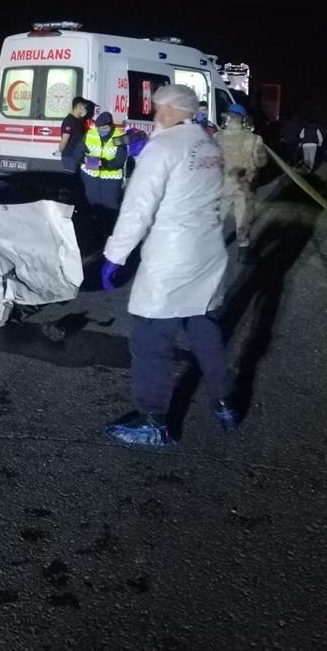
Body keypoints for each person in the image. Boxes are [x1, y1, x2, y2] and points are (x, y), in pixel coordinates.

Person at [99, 84, 235, 447]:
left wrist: (115, 255)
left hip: (172, 258)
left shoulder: (163, 147)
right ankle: (225, 402)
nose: (156, 114)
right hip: (207, 252)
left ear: (178, 110)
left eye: (161, 108)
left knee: (150, 338)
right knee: (203, 328)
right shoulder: (208, 145)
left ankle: (152, 419)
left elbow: (138, 208)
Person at [217, 103, 267, 262]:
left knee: (217, 218)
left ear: (228, 116)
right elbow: (261, 162)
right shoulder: (255, 139)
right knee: (243, 217)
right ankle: (243, 251)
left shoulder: (216, 137)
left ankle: (209, 249)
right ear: (243, 119)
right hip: (245, 185)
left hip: (221, 185)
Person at [80, 111, 126, 232]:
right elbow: (79, 154)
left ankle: (109, 234)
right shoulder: (90, 134)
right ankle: (94, 234)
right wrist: (95, 164)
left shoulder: (119, 137)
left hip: (110, 181)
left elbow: (119, 161)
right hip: (91, 178)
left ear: (111, 126)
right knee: (92, 210)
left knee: (109, 210)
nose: (101, 130)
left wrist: (101, 164)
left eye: (104, 128)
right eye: (99, 128)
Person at [56, 97, 90, 176]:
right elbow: (65, 139)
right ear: (79, 106)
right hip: (70, 157)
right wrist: (60, 150)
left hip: (78, 157)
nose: (85, 110)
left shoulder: (77, 120)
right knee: (69, 183)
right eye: (84, 107)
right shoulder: (69, 120)